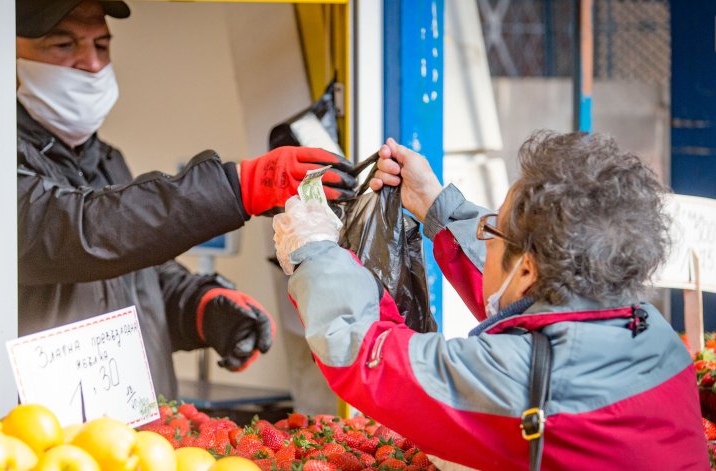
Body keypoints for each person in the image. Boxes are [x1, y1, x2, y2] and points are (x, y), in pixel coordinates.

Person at [273, 131, 707, 469]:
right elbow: (537, 294)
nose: (486, 234)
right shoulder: (651, 331)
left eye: (491, 229)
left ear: (527, 270)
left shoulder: (527, 377)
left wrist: (314, 251)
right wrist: (432, 203)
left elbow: (363, 354)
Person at [14, 0, 355, 400]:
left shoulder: (105, 160)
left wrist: (199, 307)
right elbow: (79, 231)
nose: (92, 64)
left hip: (137, 440)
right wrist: (236, 187)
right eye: (63, 45)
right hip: (41, 444)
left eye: (102, 46)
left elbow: (133, 278)